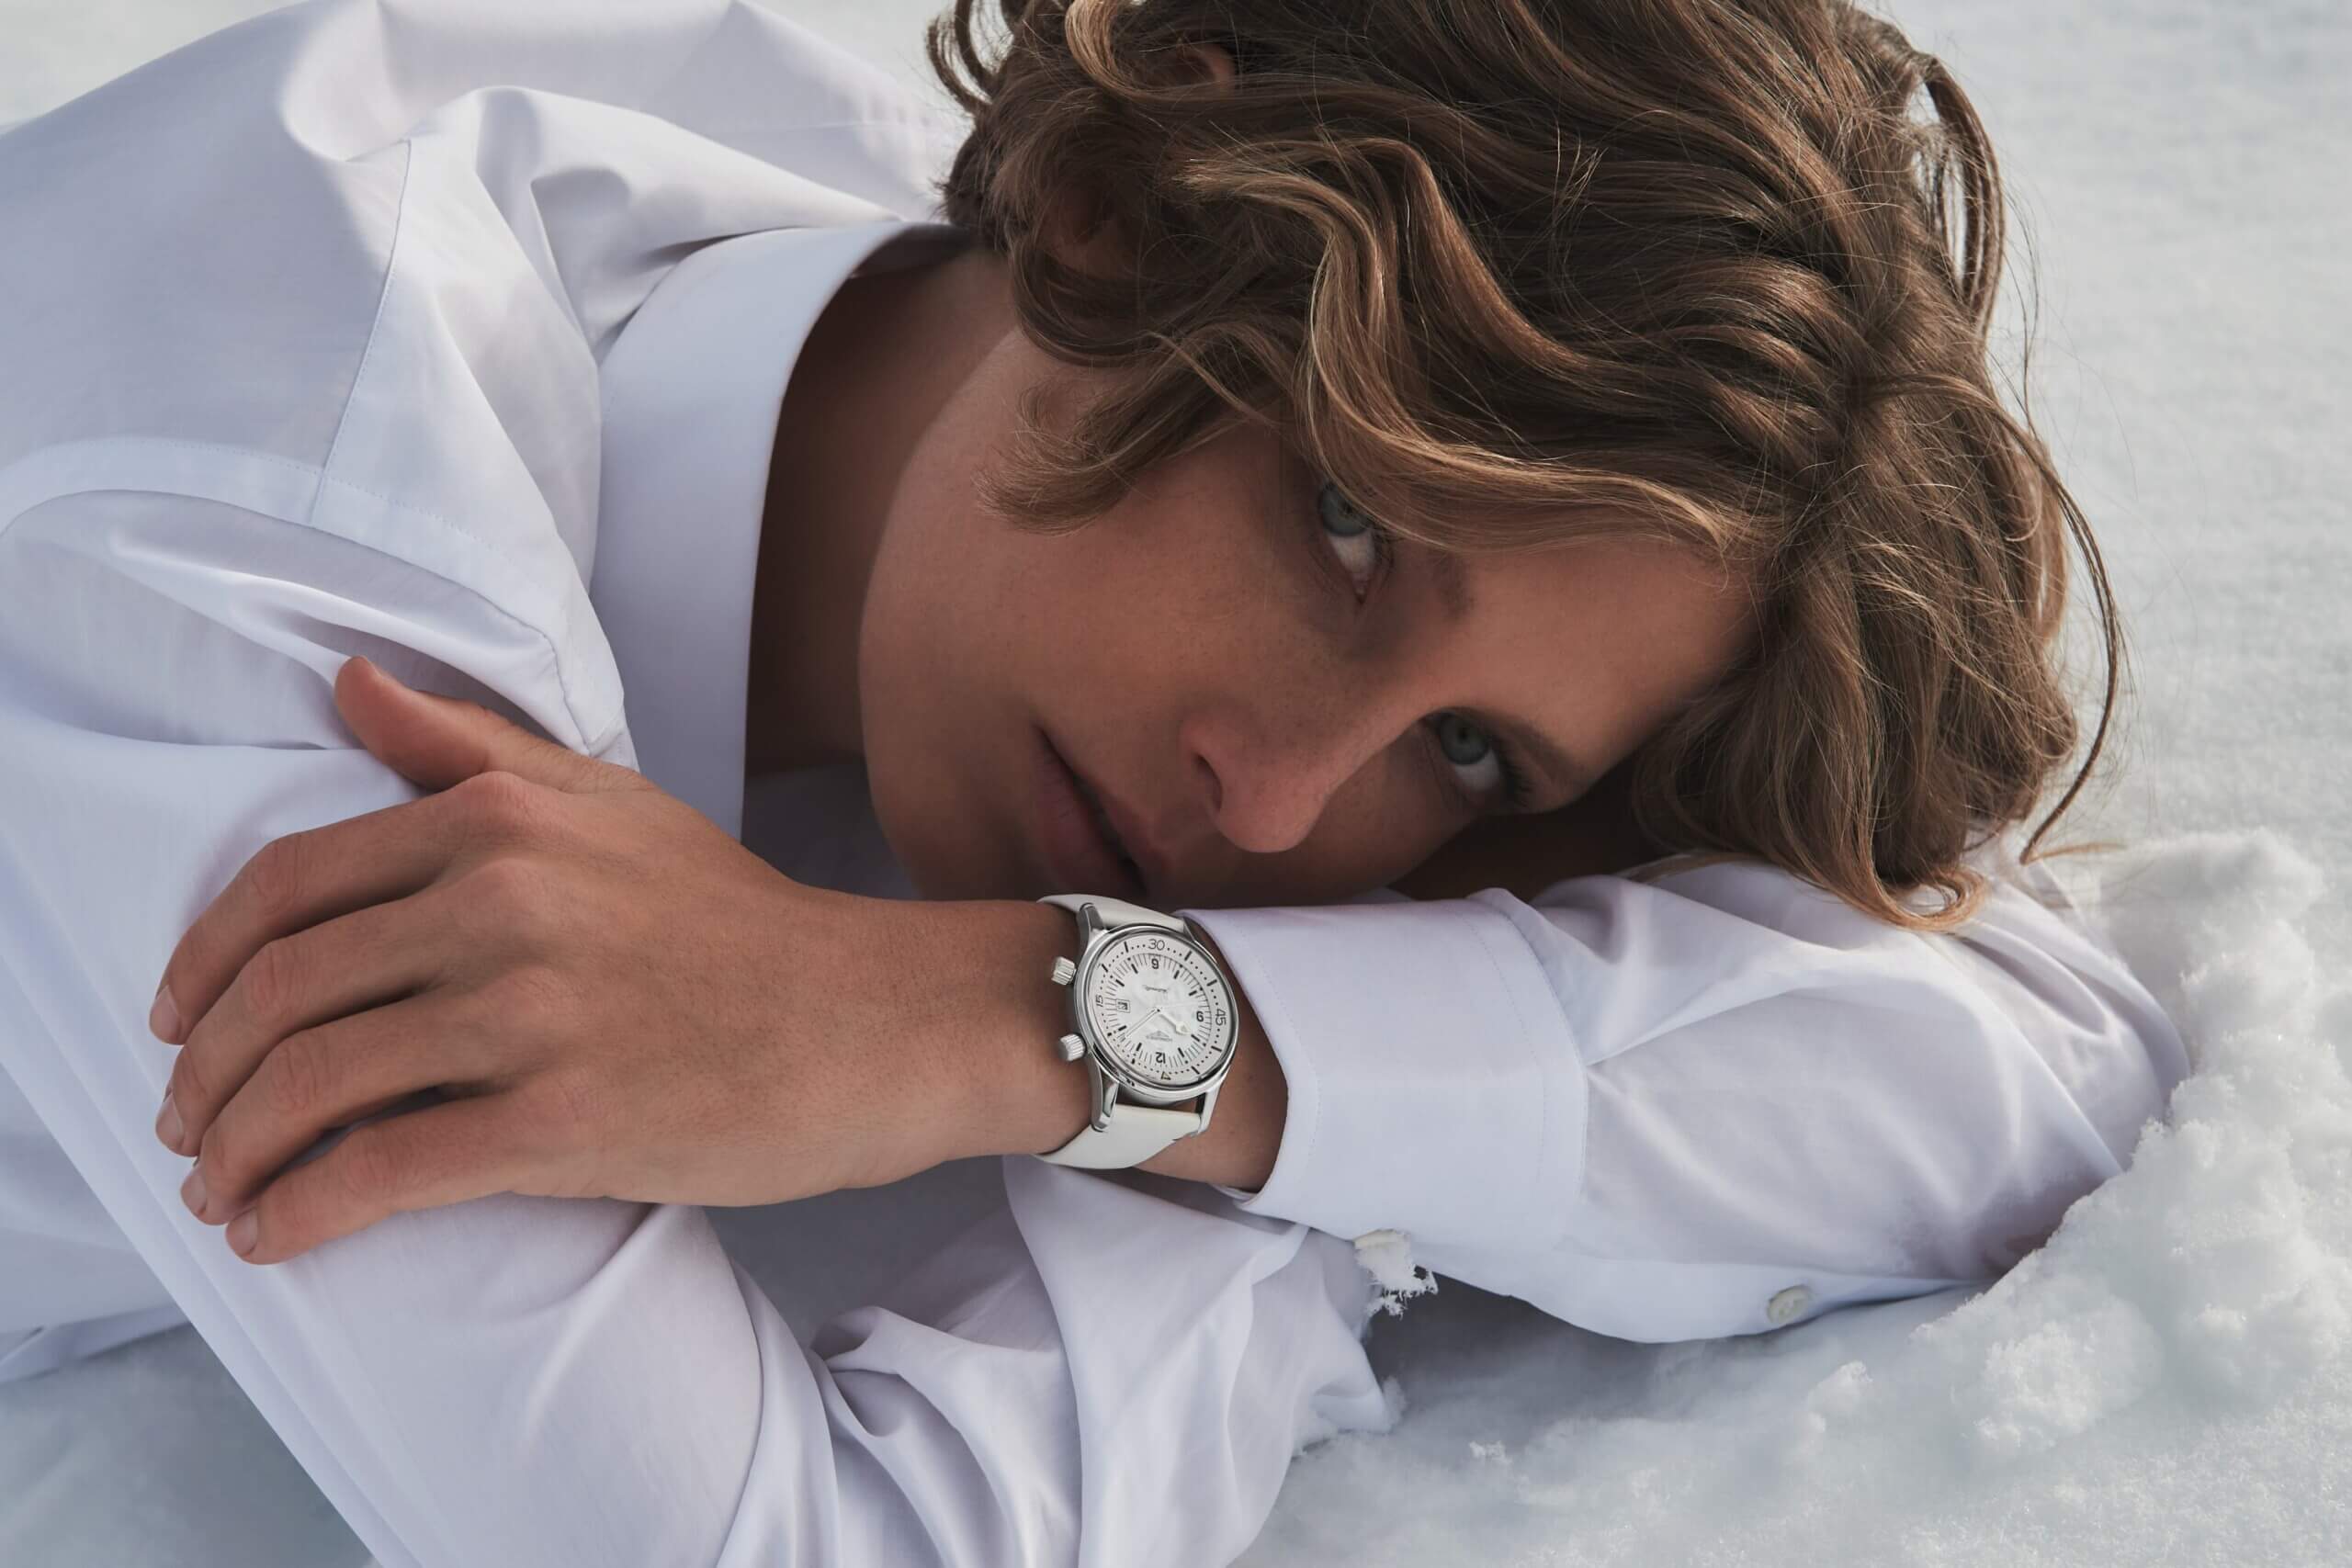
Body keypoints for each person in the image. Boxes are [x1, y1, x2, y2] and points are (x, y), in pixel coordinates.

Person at [0, 1, 2187, 1564]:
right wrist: (1343, 1166)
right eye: (1343, 529)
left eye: (1467, 750)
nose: (1277, 807)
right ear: (1110, 210)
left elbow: (2028, 1056)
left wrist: (1061, 1030)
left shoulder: (965, 322)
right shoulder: (261, 574)